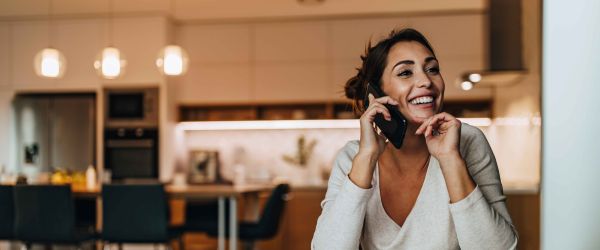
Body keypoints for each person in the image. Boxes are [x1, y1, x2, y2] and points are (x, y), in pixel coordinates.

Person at [311, 28, 518, 249]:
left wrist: (450, 159)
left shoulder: (466, 141)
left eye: (432, 69)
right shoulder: (354, 157)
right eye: (405, 73)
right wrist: (367, 158)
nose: (426, 81)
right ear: (376, 94)